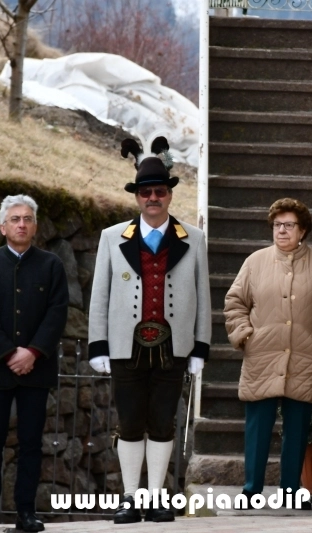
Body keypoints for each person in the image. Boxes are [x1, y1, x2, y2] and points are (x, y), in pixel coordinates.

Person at [88, 137, 211, 524]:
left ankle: (157, 496)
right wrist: (98, 345)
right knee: (129, 422)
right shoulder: (112, 237)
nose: (153, 198)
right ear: (137, 197)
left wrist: (200, 347)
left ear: (169, 195)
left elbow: (203, 296)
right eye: (146, 193)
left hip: (173, 346)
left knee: (162, 421)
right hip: (126, 345)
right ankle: (129, 497)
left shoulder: (193, 238)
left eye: (159, 191)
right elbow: (100, 294)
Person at [224, 197, 312, 509]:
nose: (281, 231)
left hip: (305, 356)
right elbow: (235, 302)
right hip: (262, 355)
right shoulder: (255, 262)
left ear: (303, 230)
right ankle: (251, 491)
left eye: (289, 225)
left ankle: (291, 490)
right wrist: (245, 335)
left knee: (297, 428)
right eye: (277, 225)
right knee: (258, 427)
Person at [0, 195, 69, 533]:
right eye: (15, 219)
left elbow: (57, 312)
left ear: (35, 226)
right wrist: (9, 353)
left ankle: (27, 512)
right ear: (2, 227)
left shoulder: (52, 265)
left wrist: (34, 352)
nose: (21, 224)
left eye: (27, 219)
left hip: (36, 368)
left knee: (31, 443)